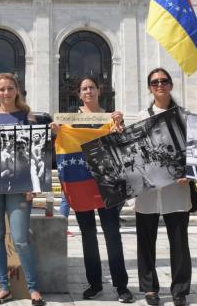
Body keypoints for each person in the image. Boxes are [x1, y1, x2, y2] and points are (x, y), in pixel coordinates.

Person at [50, 76, 131, 303]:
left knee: (112, 234)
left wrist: (119, 127)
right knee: (88, 235)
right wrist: (57, 133)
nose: (88, 91)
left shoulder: (110, 117)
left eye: (92, 88)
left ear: (99, 90)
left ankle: (121, 285)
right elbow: (63, 143)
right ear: (79, 94)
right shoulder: (70, 119)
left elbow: (122, 146)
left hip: (107, 183)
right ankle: (94, 283)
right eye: (84, 88)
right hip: (82, 184)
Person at [0, 73, 45, 306]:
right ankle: (3, 287)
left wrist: (34, 185)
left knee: (20, 238)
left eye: (10, 88)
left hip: (20, 188)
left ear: (17, 90)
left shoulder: (28, 118)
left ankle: (33, 288)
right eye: (1, 89)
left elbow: (37, 154)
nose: (6, 93)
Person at [135, 68, 195, 306]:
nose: (159, 85)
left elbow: (195, 149)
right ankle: (150, 288)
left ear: (171, 85)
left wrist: (190, 171)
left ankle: (179, 290)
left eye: (163, 81)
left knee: (180, 242)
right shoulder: (141, 116)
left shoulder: (185, 115)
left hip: (177, 189)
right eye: (154, 82)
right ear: (150, 87)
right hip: (148, 190)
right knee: (145, 241)